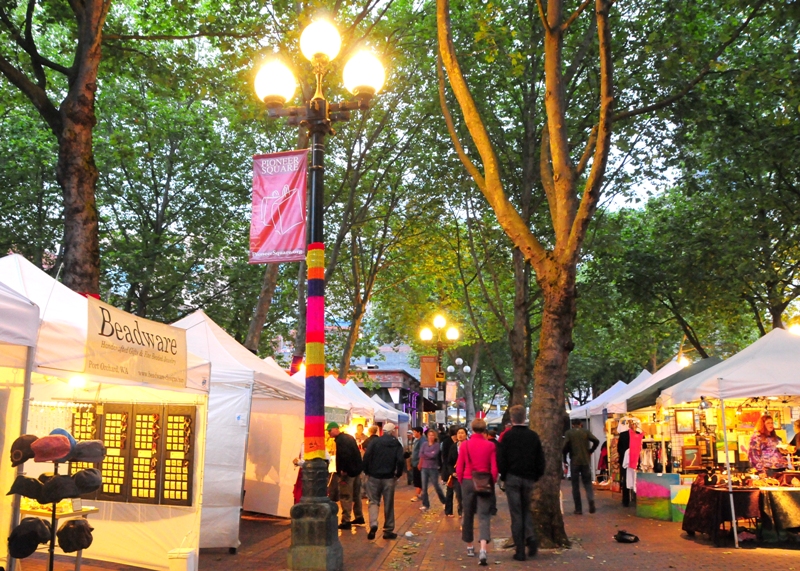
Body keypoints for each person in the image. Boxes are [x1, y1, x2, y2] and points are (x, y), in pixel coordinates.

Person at [497, 405, 545, 562]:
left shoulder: (507, 437)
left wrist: (504, 475)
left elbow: (501, 459)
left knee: (516, 514)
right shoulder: (533, 436)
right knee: (526, 511)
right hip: (529, 478)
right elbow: (540, 460)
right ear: (525, 417)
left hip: (512, 478)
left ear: (512, 419)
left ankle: (520, 550)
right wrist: (536, 475)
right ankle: (531, 537)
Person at [456, 419, 498, 567]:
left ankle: (469, 546)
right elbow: (494, 469)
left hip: (467, 480)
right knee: (484, 516)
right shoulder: (490, 445)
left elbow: (459, 467)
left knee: (467, 513)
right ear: (484, 430)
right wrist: (491, 482)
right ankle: (483, 549)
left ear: (472, 429)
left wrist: (461, 480)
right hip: (484, 481)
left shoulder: (465, 445)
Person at [362, 422, 405, 540]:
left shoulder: (375, 442)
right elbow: (400, 461)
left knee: (373, 501)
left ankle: (373, 523)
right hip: (389, 477)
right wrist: (398, 474)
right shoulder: (396, 444)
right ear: (392, 432)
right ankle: (388, 529)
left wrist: (367, 471)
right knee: (388, 503)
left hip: (374, 476)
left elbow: (366, 457)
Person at [327, 422, 365, 529]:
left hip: (347, 473)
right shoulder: (349, 437)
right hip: (356, 471)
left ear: (335, 429)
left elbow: (345, 455)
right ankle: (359, 516)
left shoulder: (341, 440)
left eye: (329, 431)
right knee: (356, 495)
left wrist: (343, 469)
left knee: (345, 496)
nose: (329, 433)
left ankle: (346, 520)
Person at [563, 419, 599, 515]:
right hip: (585, 461)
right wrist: (591, 451)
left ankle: (578, 509)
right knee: (587, 484)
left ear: (572, 425)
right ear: (581, 424)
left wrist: (564, 458)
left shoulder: (569, 433)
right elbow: (596, 441)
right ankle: (591, 502)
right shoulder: (586, 432)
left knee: (575, 486)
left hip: (574, 461)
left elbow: (565, 446)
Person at [419, 429, 446, 511]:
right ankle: (425, 504)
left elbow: (433, 455)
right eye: (429, 435)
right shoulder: (424, 444)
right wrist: (428, 454)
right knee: (424, 487)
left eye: (432, 435)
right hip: (424, 467)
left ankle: (444, 501)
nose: (431, 437)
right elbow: (420, 454)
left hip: (433, 468)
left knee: (436, 486)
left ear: (435, 436)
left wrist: (426, 454)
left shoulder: (437, 445)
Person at [447, 426, 468, 517]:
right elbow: (449, 462)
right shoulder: (453, 447)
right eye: (458, 433)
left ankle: (465, 511)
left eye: (462, 433)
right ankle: (461, 511)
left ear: (466, 435)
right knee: (459, 494)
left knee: (466, 495)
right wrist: (452, 472)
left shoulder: (469, 445)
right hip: (456, 475)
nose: (460, 435)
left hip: (467, 475)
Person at [410, 426, 424, 501]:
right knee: (417, 479)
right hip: (415, 463)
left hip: (419, 463)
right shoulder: (417, 440)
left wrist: (420, 463)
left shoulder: (422, 441)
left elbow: (422, 453)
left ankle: (417, 495)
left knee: (418, 479)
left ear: (419, 432)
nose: (413, 433)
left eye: (415, 432)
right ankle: (420, 494)